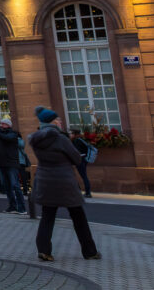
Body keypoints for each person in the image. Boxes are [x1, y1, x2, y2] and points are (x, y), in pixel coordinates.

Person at [29, 106, 100, 262]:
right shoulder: (61, 139)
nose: (61, 122)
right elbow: (76, 158)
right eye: (58, 119)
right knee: (78, 216)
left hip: (45, 179)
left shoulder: (36, 139)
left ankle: (43, 250)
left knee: (47, 216)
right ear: (53, 122)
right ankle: (90, 251)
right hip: (64, 181)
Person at [0, 117, 26, 214]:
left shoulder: (13, 134)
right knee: (7, 187)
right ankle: (12, 206)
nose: (1, 125)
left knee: (15, 185)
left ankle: (22, 208)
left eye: (3, 124)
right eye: (1, 124)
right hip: (1, 163)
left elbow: (6, 138)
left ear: (8, 125)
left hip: (11, 163)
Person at [69, 131, 93, 198]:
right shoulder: (81, 140)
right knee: (84, 175)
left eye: (71, 133)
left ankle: (87, 193)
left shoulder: (76, 141)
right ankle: (86, 192)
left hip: (79, 160)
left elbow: (76, 152)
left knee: (83, 176)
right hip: (84, 159)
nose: (70, 135)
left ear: (74, 134)